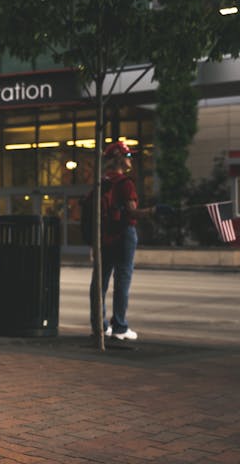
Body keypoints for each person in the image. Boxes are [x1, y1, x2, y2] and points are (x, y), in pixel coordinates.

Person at [90, 141, 158, 342]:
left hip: (105, 234)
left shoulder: (101, 182)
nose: (131, 160)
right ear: (119, 158)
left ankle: (99, 327)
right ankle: (119, 326)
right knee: (122, 280)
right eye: (128, 156)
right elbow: (132, 212)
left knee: (100, 281)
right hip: (124, 234)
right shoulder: (125, 183)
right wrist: (154, 211)